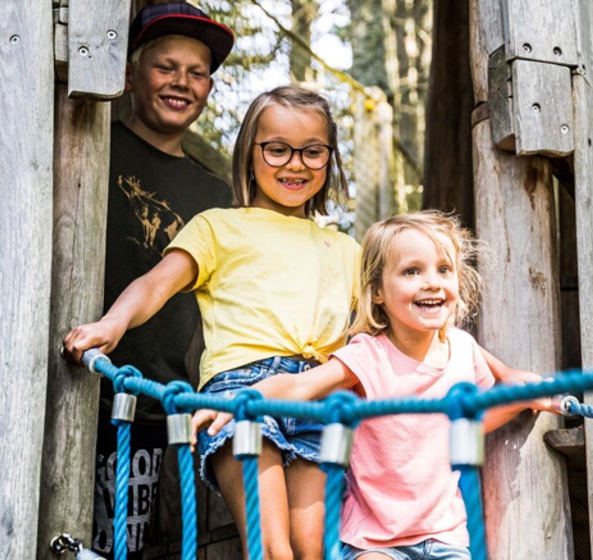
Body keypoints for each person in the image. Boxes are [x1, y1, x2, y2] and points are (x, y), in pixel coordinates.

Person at [64, 85, 360, 559]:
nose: (296, 164)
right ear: (250, 154)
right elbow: (156, 284)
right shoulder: (218, 226)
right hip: (239, 393)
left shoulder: (346, 248)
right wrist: (111, 325)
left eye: (312, 151)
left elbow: (371, 331)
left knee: (315, 550)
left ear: (330, 158)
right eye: (278, 149)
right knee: (272, 549)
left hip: (317, 395)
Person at [191, 211, 554, 560]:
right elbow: (300, 386)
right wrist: (239, 400)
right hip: (374, 539)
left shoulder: (462, 349)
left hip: (445, 534)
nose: (432, 281)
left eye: (444, 269)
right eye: (411, 271)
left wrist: (526, 397)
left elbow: (470, 420)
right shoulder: (368, 355)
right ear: (378, 291)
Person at [86, 3, 235, 556]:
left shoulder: (217, 195)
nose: (181, 82)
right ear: (129, 75)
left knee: (120, 545)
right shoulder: (90, 147)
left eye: (196, 73)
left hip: (150, 400)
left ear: (209, 90)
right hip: (71, 378)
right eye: (165, 67)